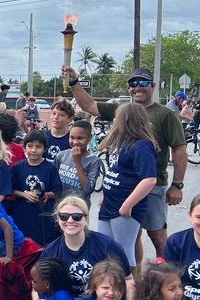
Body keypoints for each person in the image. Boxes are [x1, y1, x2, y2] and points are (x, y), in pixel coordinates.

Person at [66, 66, 186, 263]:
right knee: (131, 238)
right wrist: (74, 82)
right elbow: (87, 104)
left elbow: (179, 149)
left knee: (156, 235)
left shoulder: (165, 115)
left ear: (153, 86)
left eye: (143, 83)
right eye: (133, 83)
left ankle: (166, 280)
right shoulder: (120, 110)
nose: (137, 87)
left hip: (152, 185)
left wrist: (177, 184)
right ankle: (135, 279)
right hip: (123, 188)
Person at [95, 103, 157, 273]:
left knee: (123, 251)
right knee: (105, 249)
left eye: (117, 118)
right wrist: (105, 194)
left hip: (124, 206)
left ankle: (129, 290)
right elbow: (116, 170)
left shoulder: (142, 145)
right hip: (110, 202)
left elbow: (149, 179)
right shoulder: (121, 142)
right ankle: (109, 286)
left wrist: (128, 204)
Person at [39, 195, 131, 299]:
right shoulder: (50, 252)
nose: (70, 220)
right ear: (58, 219)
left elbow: (128, 279)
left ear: (86, 219)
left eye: (76, 216)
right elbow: (37, 285)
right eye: (64, 216)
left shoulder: (108, 245)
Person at [9, 130, 62, 246]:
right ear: (24, 147)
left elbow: (57, 191)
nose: (33, 150)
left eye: (38, 147)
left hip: (42, 214)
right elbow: (11, 189)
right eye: (30, 146)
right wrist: (25, 194)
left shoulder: (50, 168)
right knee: (23, 243)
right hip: (22, 213)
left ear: (45, 149)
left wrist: (43, 195)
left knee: (41, 243)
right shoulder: (17, 167)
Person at [52, 120, 102, 198]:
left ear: (90, 138)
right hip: (60, 204)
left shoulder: (94, 161)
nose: (75, 142)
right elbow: (53, 180)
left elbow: (88, 189)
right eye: (72, 137)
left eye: (80, 138)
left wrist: (77, 162)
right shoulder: (61, 155)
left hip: (79, 205)